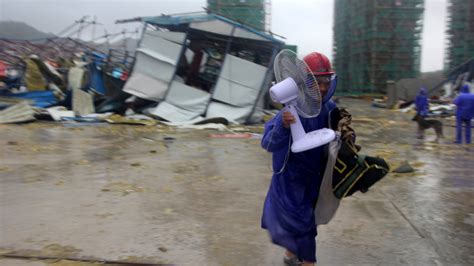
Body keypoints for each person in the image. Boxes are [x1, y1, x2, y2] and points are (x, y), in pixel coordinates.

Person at [261, 51, 337, 266]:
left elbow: (337, 137)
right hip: (291, 180)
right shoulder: (288, 111)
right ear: (304, 82)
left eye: (325, 81)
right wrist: (283, 126)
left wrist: (346, 132)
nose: (322, 87)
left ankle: (289, 255)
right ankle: (308, 261)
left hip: (315, 179)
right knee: (303, 225)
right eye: (316, 81)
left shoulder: (329, 108)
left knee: (303, 221)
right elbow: (268, 143)